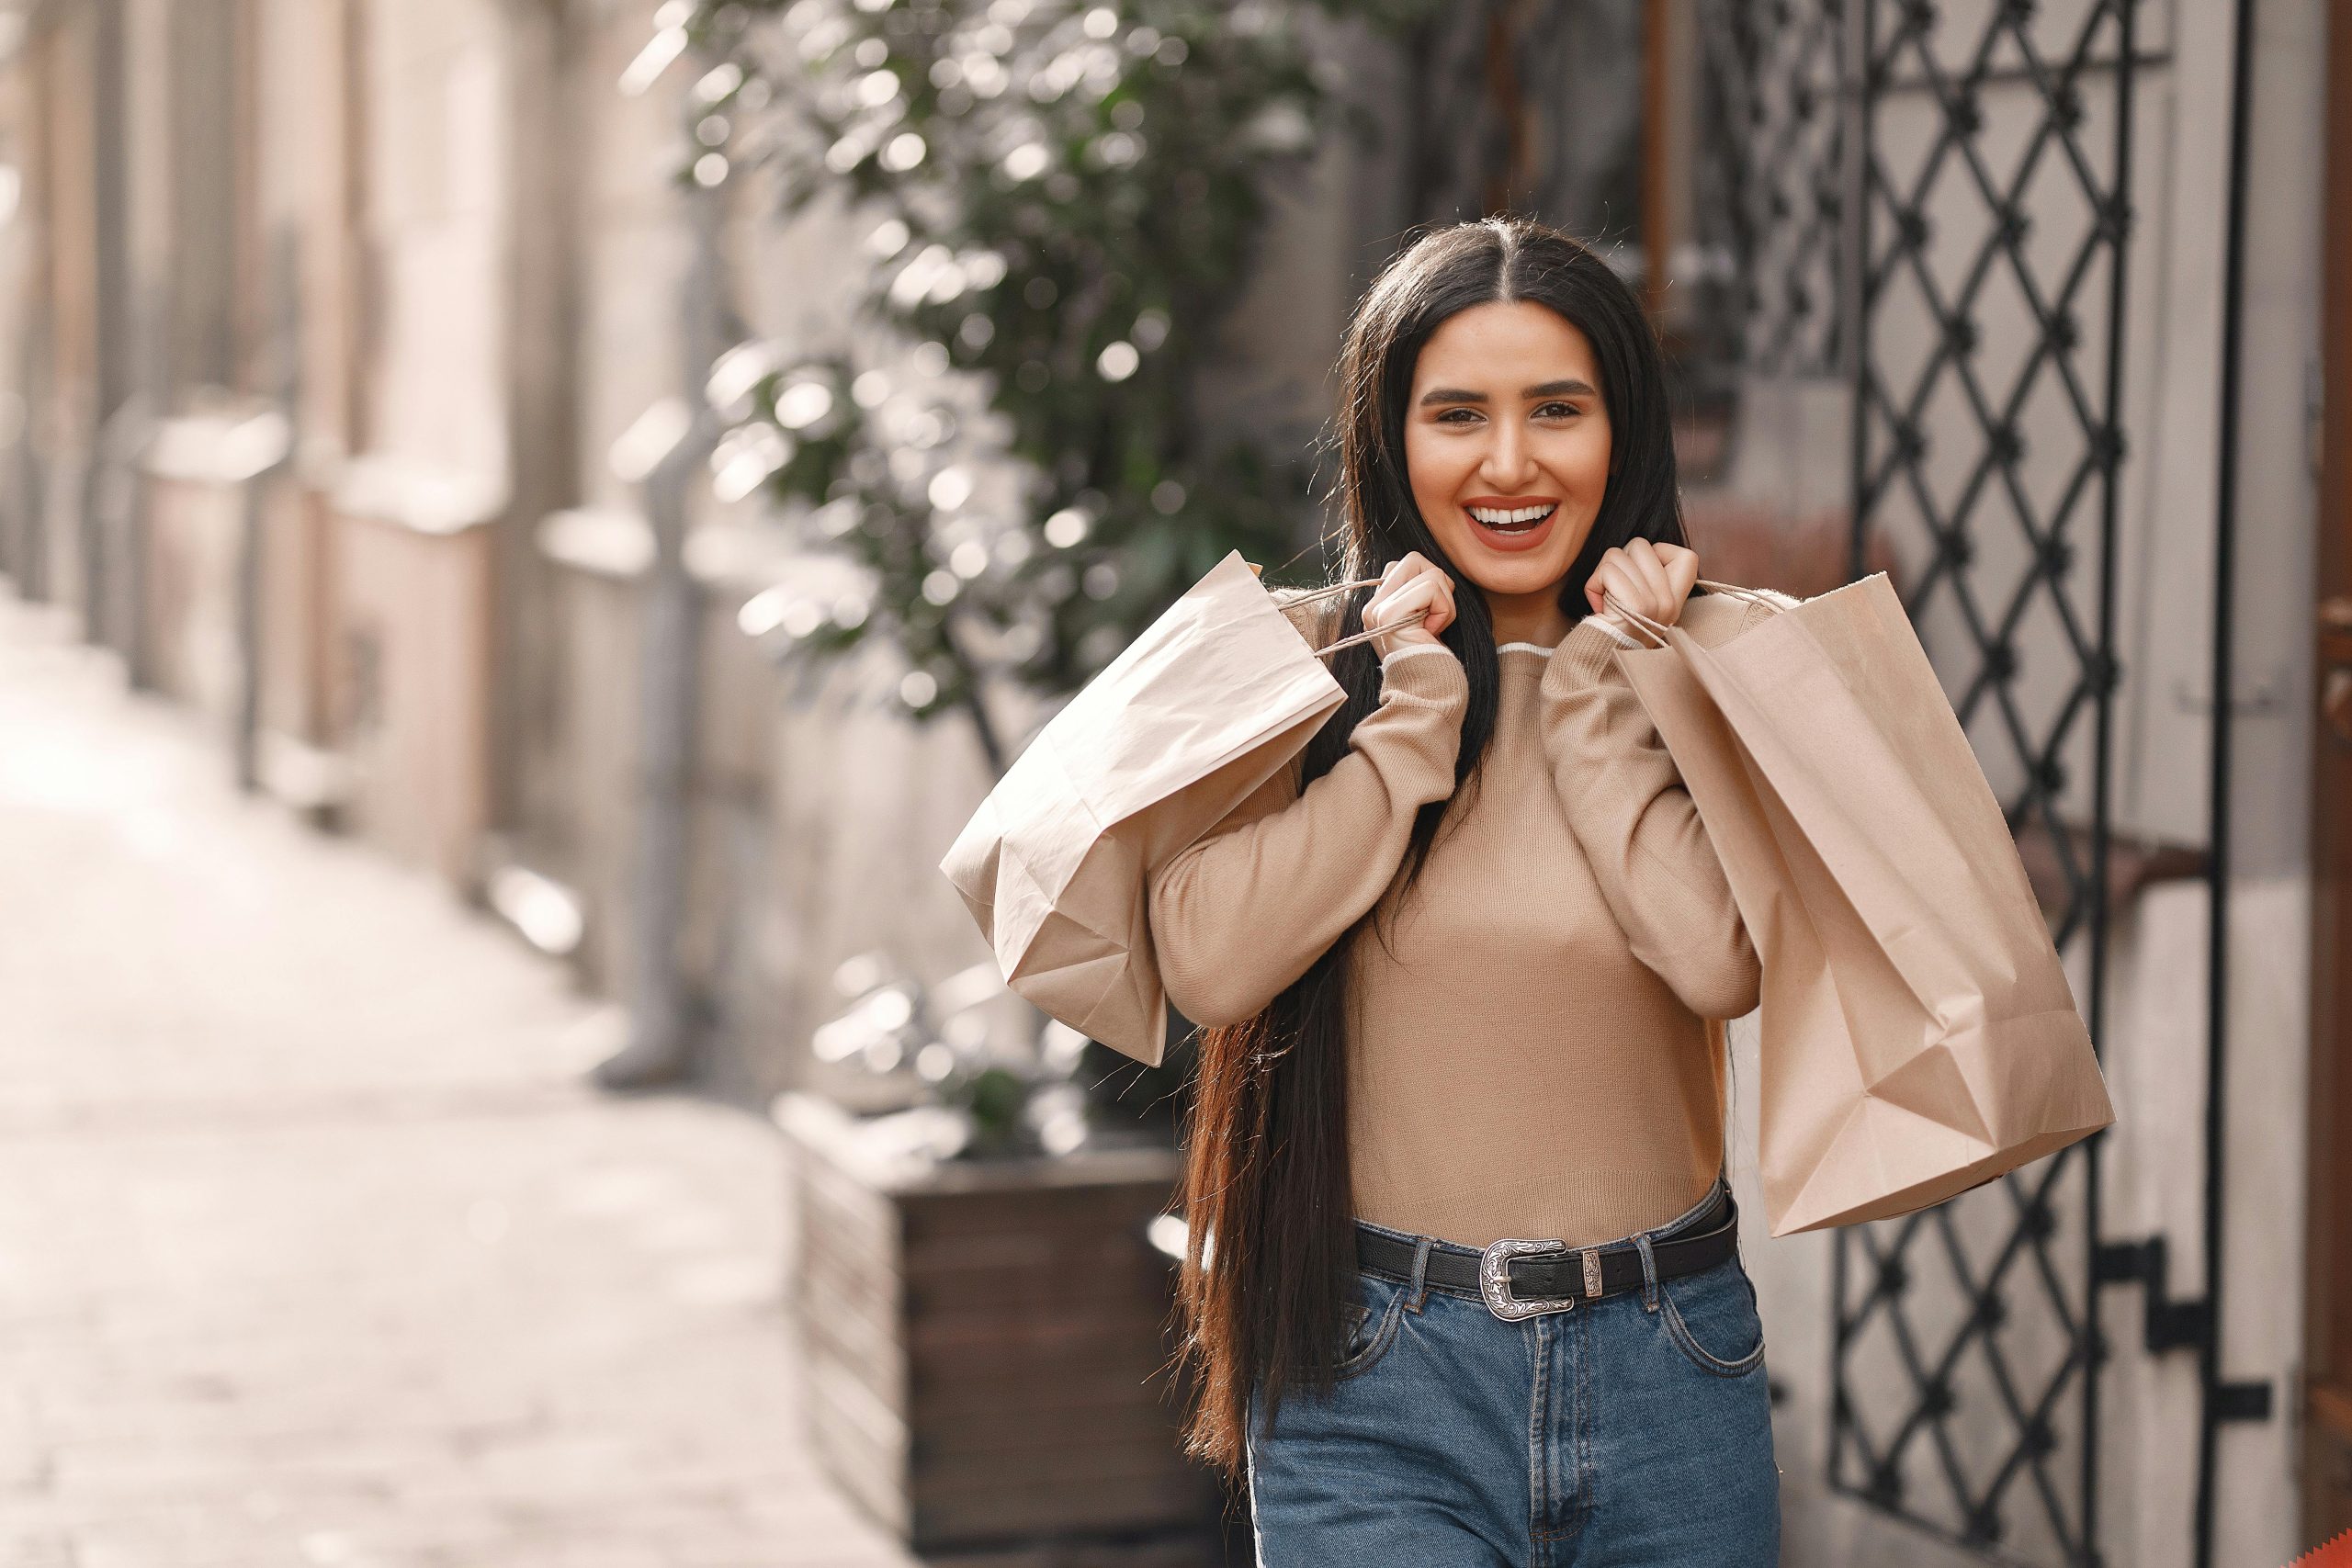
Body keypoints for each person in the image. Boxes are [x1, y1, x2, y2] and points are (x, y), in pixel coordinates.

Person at [1153, 215, 1782, 1565]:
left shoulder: (1696, 670)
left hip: (1672, 1363)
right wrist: (1404, 733)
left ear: (1624, 433)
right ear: (1392, 440)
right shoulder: (1304, 663)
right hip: (1373, 1372)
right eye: (1458, 415)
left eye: (1557, 409)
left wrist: (1610, 698)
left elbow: (1721, 962)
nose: (1510, 464)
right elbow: (1208, 967)